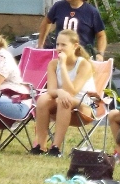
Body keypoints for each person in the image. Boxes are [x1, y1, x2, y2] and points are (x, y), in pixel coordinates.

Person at [29, 29, 96, 157]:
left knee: (65, 100)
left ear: (75, 46)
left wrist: (63, 66)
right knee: (43, 99)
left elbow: (72, 91)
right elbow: (51, 91)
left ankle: (56, 148)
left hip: (85, 106)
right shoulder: (53, 64)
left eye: (63, 45)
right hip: (62, 102)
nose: (59, 48)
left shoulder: (84, 65)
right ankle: (41, 146)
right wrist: (59, 91)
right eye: (57, 44)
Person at [37, 0, 107, 60]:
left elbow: (101, 35)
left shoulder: (92, 12)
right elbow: (46, 22)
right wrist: (40, 44)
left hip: (82, 58)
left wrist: (100, 54)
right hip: (60, 56)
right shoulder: (58, 6)